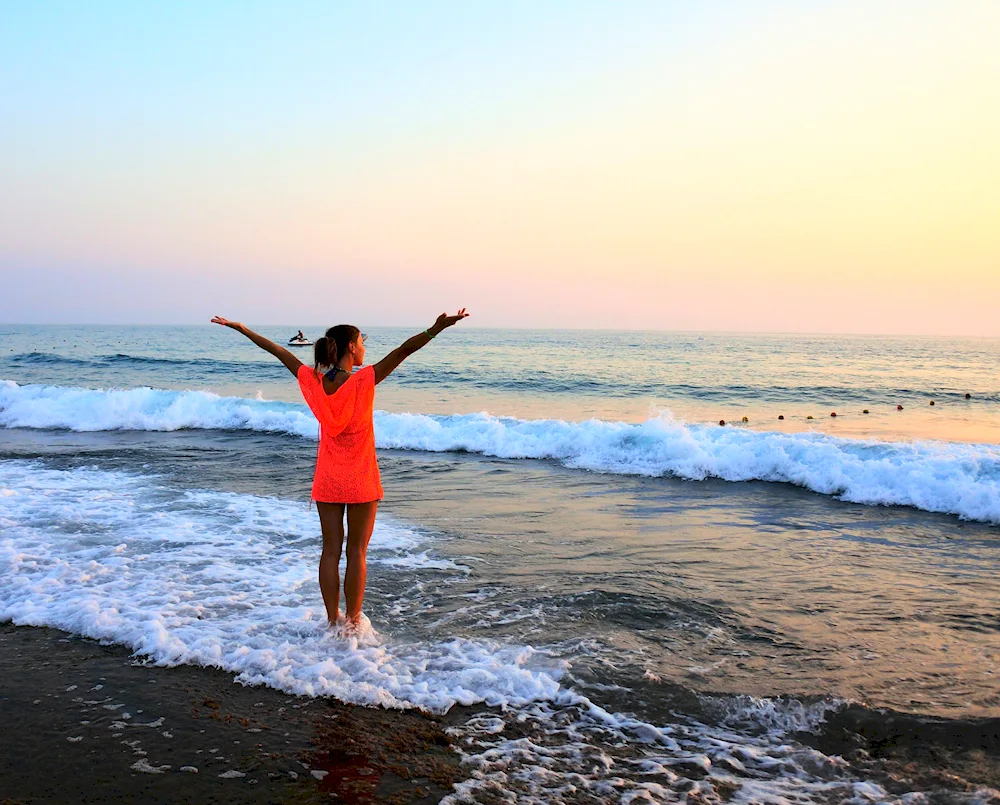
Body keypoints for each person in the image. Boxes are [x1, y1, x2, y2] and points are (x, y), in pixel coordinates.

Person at [211, 310, 469, 632]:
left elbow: (278, 351)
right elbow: (404, 351)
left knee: (330, 550)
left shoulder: (313, 381)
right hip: (361, 477)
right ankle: (353, 622)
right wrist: (436, 329)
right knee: (357, 552)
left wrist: (243, 329)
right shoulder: (364, 380)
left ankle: (333, 620)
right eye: (362, 342)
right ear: (350, 347)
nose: (364, 348)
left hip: (329, 479)